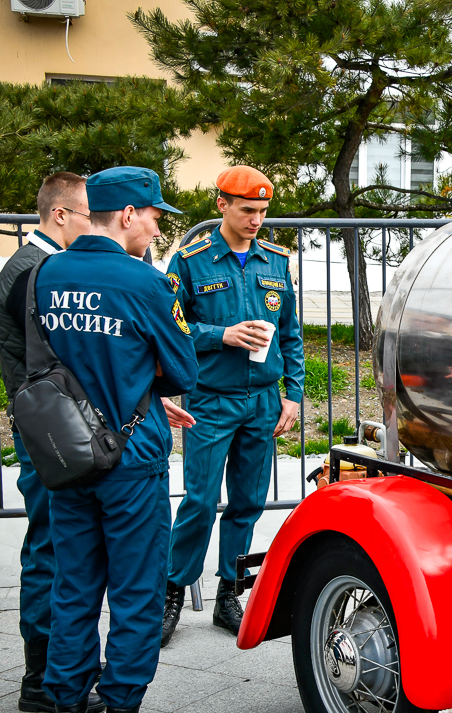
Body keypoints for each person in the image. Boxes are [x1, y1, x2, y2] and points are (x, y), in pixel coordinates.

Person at [36, 166, 198, 713]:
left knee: (73, 591)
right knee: (135, 595)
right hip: (132, 460)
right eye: (154, 216)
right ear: (127, 214)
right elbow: (182, 371)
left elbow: (41, 365)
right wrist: (141, 369)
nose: (157, 229)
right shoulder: (146, 282)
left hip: (69, 457)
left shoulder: (47, 274)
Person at [160, 165, 304, 645]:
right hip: (211, 400)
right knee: (200, 501)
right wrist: (220, 334)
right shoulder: (190, 260)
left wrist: (293, 393)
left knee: (247, 502)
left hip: (262, 401)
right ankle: (172, 592)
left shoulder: (276, 262)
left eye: (262, 211)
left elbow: (290, 333)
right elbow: (171, 327)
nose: (256, 220)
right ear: (222, 205)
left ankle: (230, 593)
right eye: (247, 210)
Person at [0, 172, 111, 713]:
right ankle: (41, 676)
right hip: (50, 432)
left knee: (59, 545)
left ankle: (61, 667)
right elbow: (60, 354)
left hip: (55, 425)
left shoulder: (38, 267)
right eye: (88, 215)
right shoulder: (32, 272)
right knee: (49, 547)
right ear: (60, 215)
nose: (94, 225)